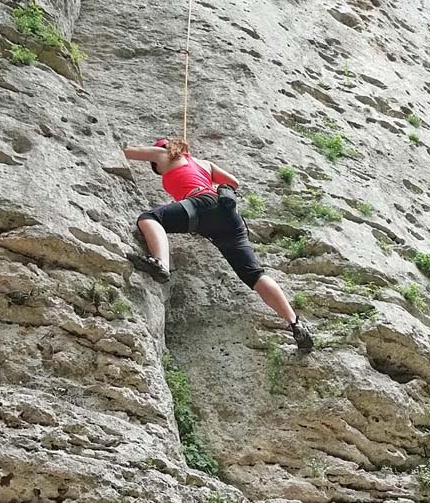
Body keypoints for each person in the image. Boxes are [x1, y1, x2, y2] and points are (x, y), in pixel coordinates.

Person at [123, 137, 314, 351]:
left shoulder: (163, 154)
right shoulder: (204, 164)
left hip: (201, 204)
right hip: (230, 217)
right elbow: (233, 182)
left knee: (149, 218)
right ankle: (295, 324)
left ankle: (160, 263)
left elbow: (129, 151)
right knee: (255, 275)